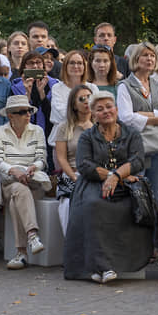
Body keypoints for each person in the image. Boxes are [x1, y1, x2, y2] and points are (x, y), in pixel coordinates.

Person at [63, 91, 151, 283]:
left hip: (125, 183)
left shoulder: (131, 133)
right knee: (95, 205)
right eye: (100, 109)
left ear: (117, 110)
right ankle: (101, 267)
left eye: (109, 107)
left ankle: (124, 264)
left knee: (131, 206)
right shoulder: (88, 137)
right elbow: (85, 164)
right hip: (93, 183)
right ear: (93, 114)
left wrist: (117, 176)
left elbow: (137, 160)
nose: (106, 112)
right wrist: (111, 176)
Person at [0, 95, 48, 270]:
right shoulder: (0, 131)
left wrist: (32, 167)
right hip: (8, 181)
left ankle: (21, 253)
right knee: (18, 189)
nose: (27, 115)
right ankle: (32, 234)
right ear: (10, 115)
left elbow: (42, 159)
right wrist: (13, 170)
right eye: (22, 112)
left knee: (19, 196)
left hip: (33, 181)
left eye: (29, 111)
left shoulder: (37, 130)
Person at [117, 42, 158, 201]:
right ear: (136, 59)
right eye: (145, 55)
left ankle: (154, 227)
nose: (149, 59)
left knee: (155, 197)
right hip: (136, 149)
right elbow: (125, 118)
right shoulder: (125, 86)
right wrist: (156, 118)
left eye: (152, 56)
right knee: (137, 197)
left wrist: (140, 114)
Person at [54, 85, 96, 236]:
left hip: (94, 176)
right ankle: (72, 249)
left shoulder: (99, 128)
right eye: (82, 99)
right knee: (66, 206)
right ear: (74, 104)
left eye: (89, 98)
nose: (86, 102)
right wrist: (73, 176)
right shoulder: (64, 127)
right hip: (71, 174)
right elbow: (61, 158)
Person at [10, 51, 58, 147]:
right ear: (24, 67)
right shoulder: (15, 87)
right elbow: (17, 115)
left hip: (49, 135)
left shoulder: (54, 85)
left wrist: (42, 94)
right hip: (25, 137)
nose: (35, 66)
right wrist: (27, 93)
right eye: (31, 63)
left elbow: (53, 114)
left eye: (38, 62)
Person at [49, 50, 99, 134]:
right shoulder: (57, 88)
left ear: (84, 66)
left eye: (79, 63)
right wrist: (85, 114)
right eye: (72, 63)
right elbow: (61, 114)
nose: (76, 66)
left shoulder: (92, 88)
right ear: (65, 66)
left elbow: (97, 111)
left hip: (88, 133)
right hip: (62, 135)